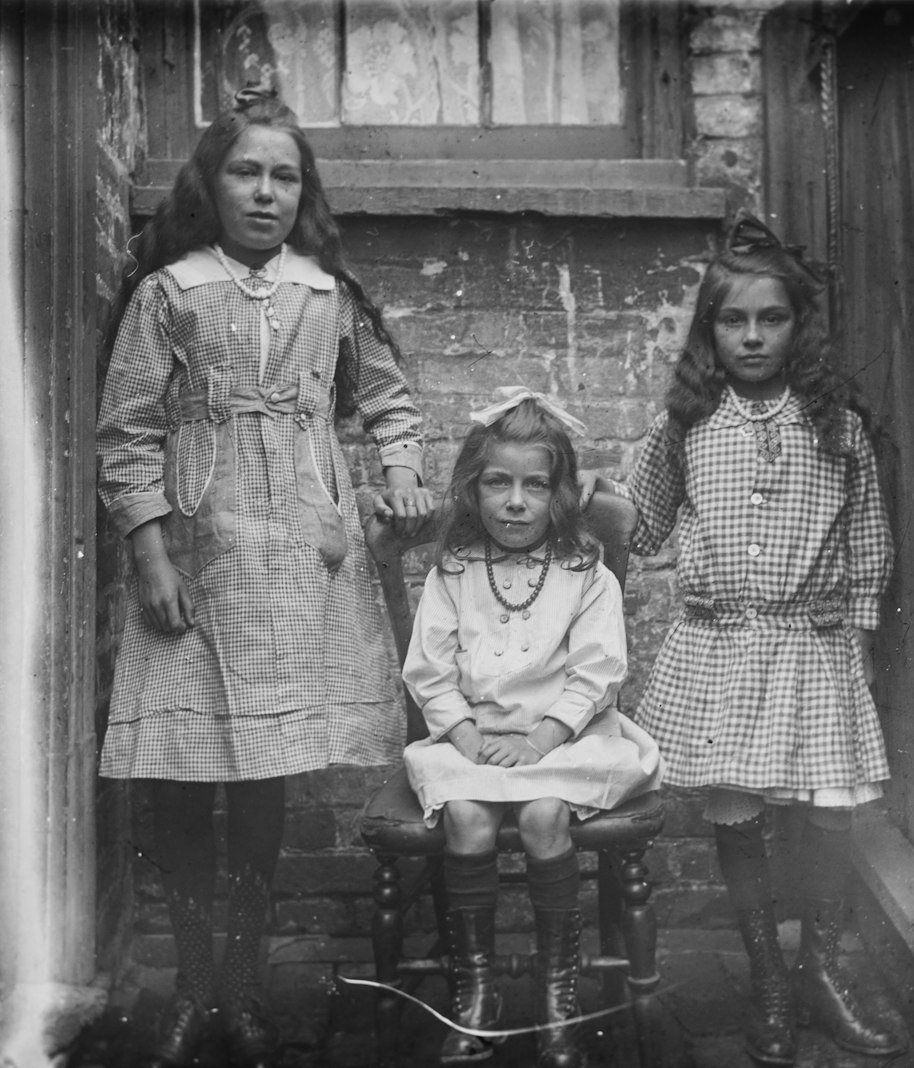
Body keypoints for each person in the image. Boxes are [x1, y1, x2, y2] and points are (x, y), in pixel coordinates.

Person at [96, 87, 433, 1068]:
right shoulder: (171, 292)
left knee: (260, 779)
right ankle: (194, 987)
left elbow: (389, 402)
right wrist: (151, 553)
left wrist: (401, 476)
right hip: (194, 557)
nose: (266, 192)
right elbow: (126, 430)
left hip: (294, 559)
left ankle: (238, 994)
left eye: (285, 176)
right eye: (247, 170)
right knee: (178, 778)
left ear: (302, 192)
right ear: (213, 180)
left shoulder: (325, 296)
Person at [580, 215, 904, 1066]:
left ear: (799, 326)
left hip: (812, 645)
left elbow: (867, 535)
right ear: (709, 332)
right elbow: (641, 527)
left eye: (772, 318)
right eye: (734, 321)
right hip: (721, 649)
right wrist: (586, 493)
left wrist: (861, 632)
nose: (753, 336)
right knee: (741, 810)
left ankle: (819, 972)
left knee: (833, 807)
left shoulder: (837, 427)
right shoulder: (685, 426)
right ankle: (767, 977)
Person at [401, 387, 663, 1068]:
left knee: (547, 816)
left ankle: (556, 997)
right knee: (465, 815)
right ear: (471, 489)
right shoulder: (454, 571)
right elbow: (429, 669)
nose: (515, 502)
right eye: (498, 483)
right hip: (475, 742)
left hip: (564, 742)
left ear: (561, 496)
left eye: (535, 485)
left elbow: (599, 671)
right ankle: (478, 993)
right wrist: (465, 738)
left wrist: (543, 738)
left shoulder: (584, 573)